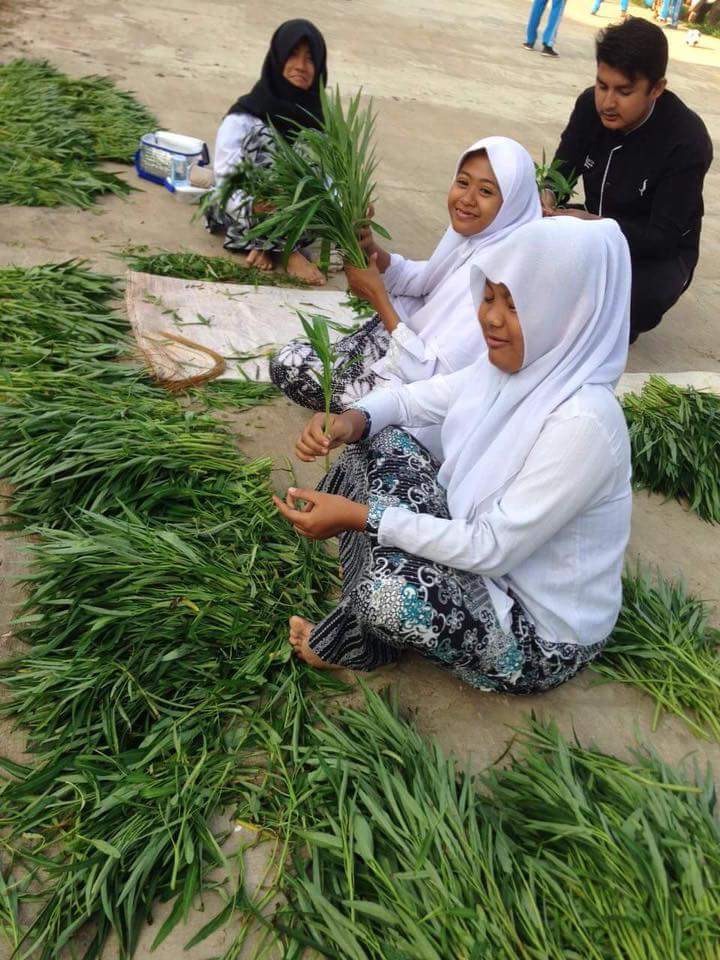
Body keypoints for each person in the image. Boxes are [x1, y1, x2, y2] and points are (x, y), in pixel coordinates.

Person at [273, 217, 633, 694]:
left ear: (570, 313)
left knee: (392, 597)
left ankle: (363, 638)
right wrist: (350, 420)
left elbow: (490, 547)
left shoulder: (585, 424)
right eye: (490, 297)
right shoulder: (515, 367)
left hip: (536, 635)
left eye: (516, 304)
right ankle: (363, 576)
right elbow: (415, 399)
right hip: (481, 554)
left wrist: (362, 517)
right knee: (378, 437)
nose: (492, 318)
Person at [269, 137, 541, 440]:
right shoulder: (476, 238)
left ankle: (363, 419)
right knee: (290, 356)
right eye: (462, 183)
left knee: (289, 368)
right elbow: (425, 279)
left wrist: (377, 297)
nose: (467, 198)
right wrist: (373, 252)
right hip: (398, 349)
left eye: (486, 191)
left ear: (513, 203)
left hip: (419, 394)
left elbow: (431, 377)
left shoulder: (502, 279)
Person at [546, 18, 713, 342]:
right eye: (602, 85)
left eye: (624, 91)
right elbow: (561, 169)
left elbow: (661, 237)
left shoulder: (686, 140)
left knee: (632, 303)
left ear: (656, 89)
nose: (608, 103)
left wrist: (595, 222)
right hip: (594, 222)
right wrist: (548, 195)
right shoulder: (588, 106)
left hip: (657, 251)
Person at [204, 19, 328, 286]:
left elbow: (328, 185)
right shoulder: (243, 118)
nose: (300, 66)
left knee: (313, 148)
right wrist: (256, 207)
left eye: (310, 59)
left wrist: (353, 205)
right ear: (277, 58)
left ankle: (266, 246)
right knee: (266, 145)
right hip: (245, 208)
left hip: (295, 214)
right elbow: (227, 184)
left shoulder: (319, 121)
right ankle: (287, 250)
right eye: (292, 55)